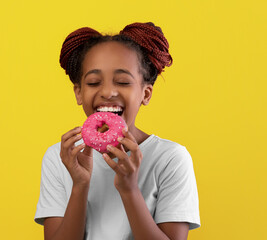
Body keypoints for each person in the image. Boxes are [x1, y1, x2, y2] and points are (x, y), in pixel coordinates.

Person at [34, 22, 200, 240]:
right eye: (93, 82)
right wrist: (80, 185)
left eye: (122, 81)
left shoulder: (171, 158)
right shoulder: (61, 157)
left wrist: (130, 189)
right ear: (79, 93)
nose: (108, 92)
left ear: (145, 94)